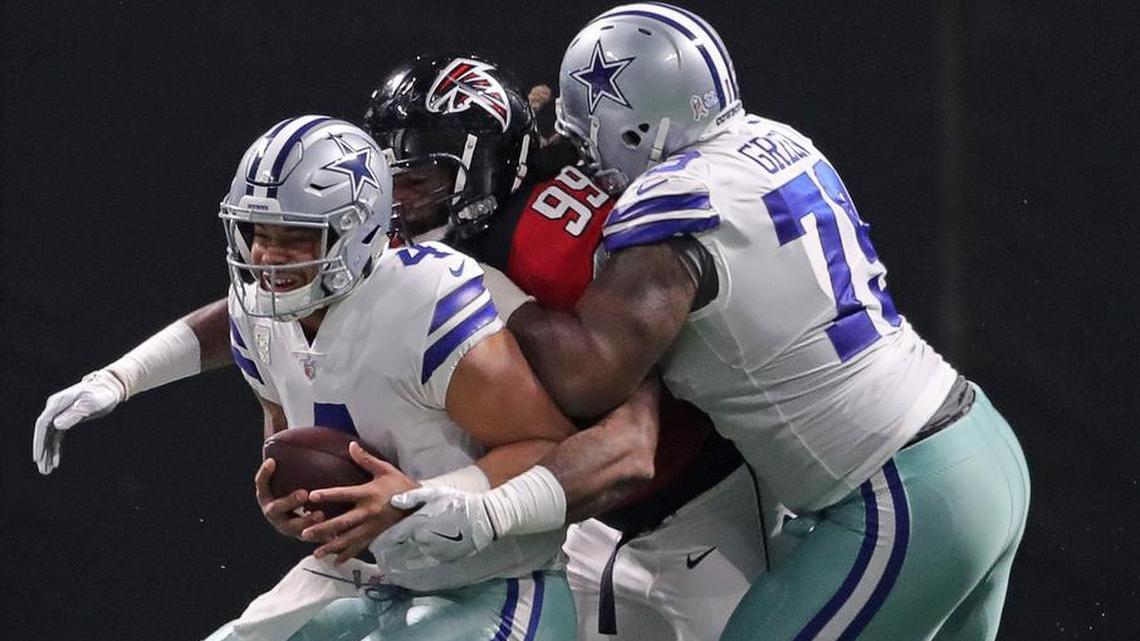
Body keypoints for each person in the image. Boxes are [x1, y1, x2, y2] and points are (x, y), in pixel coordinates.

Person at [33, 53, 777, 641]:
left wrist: (448, 502)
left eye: (419, 179)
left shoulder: (556, 245)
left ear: (490, 166)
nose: (399, 202)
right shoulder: (387, 255)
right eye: (388, 177)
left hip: (678, 505)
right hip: (549, 525)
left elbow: (626, 435)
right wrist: (123, 376)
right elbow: (263, 304)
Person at [380, 4, 1031, 641]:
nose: (577, 150)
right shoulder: (776, 142)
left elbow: (591, 377)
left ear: (628, 126)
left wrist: (482, 288)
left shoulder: (673, 202)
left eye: (582, 132)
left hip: (898, 497)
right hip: (975, 442)